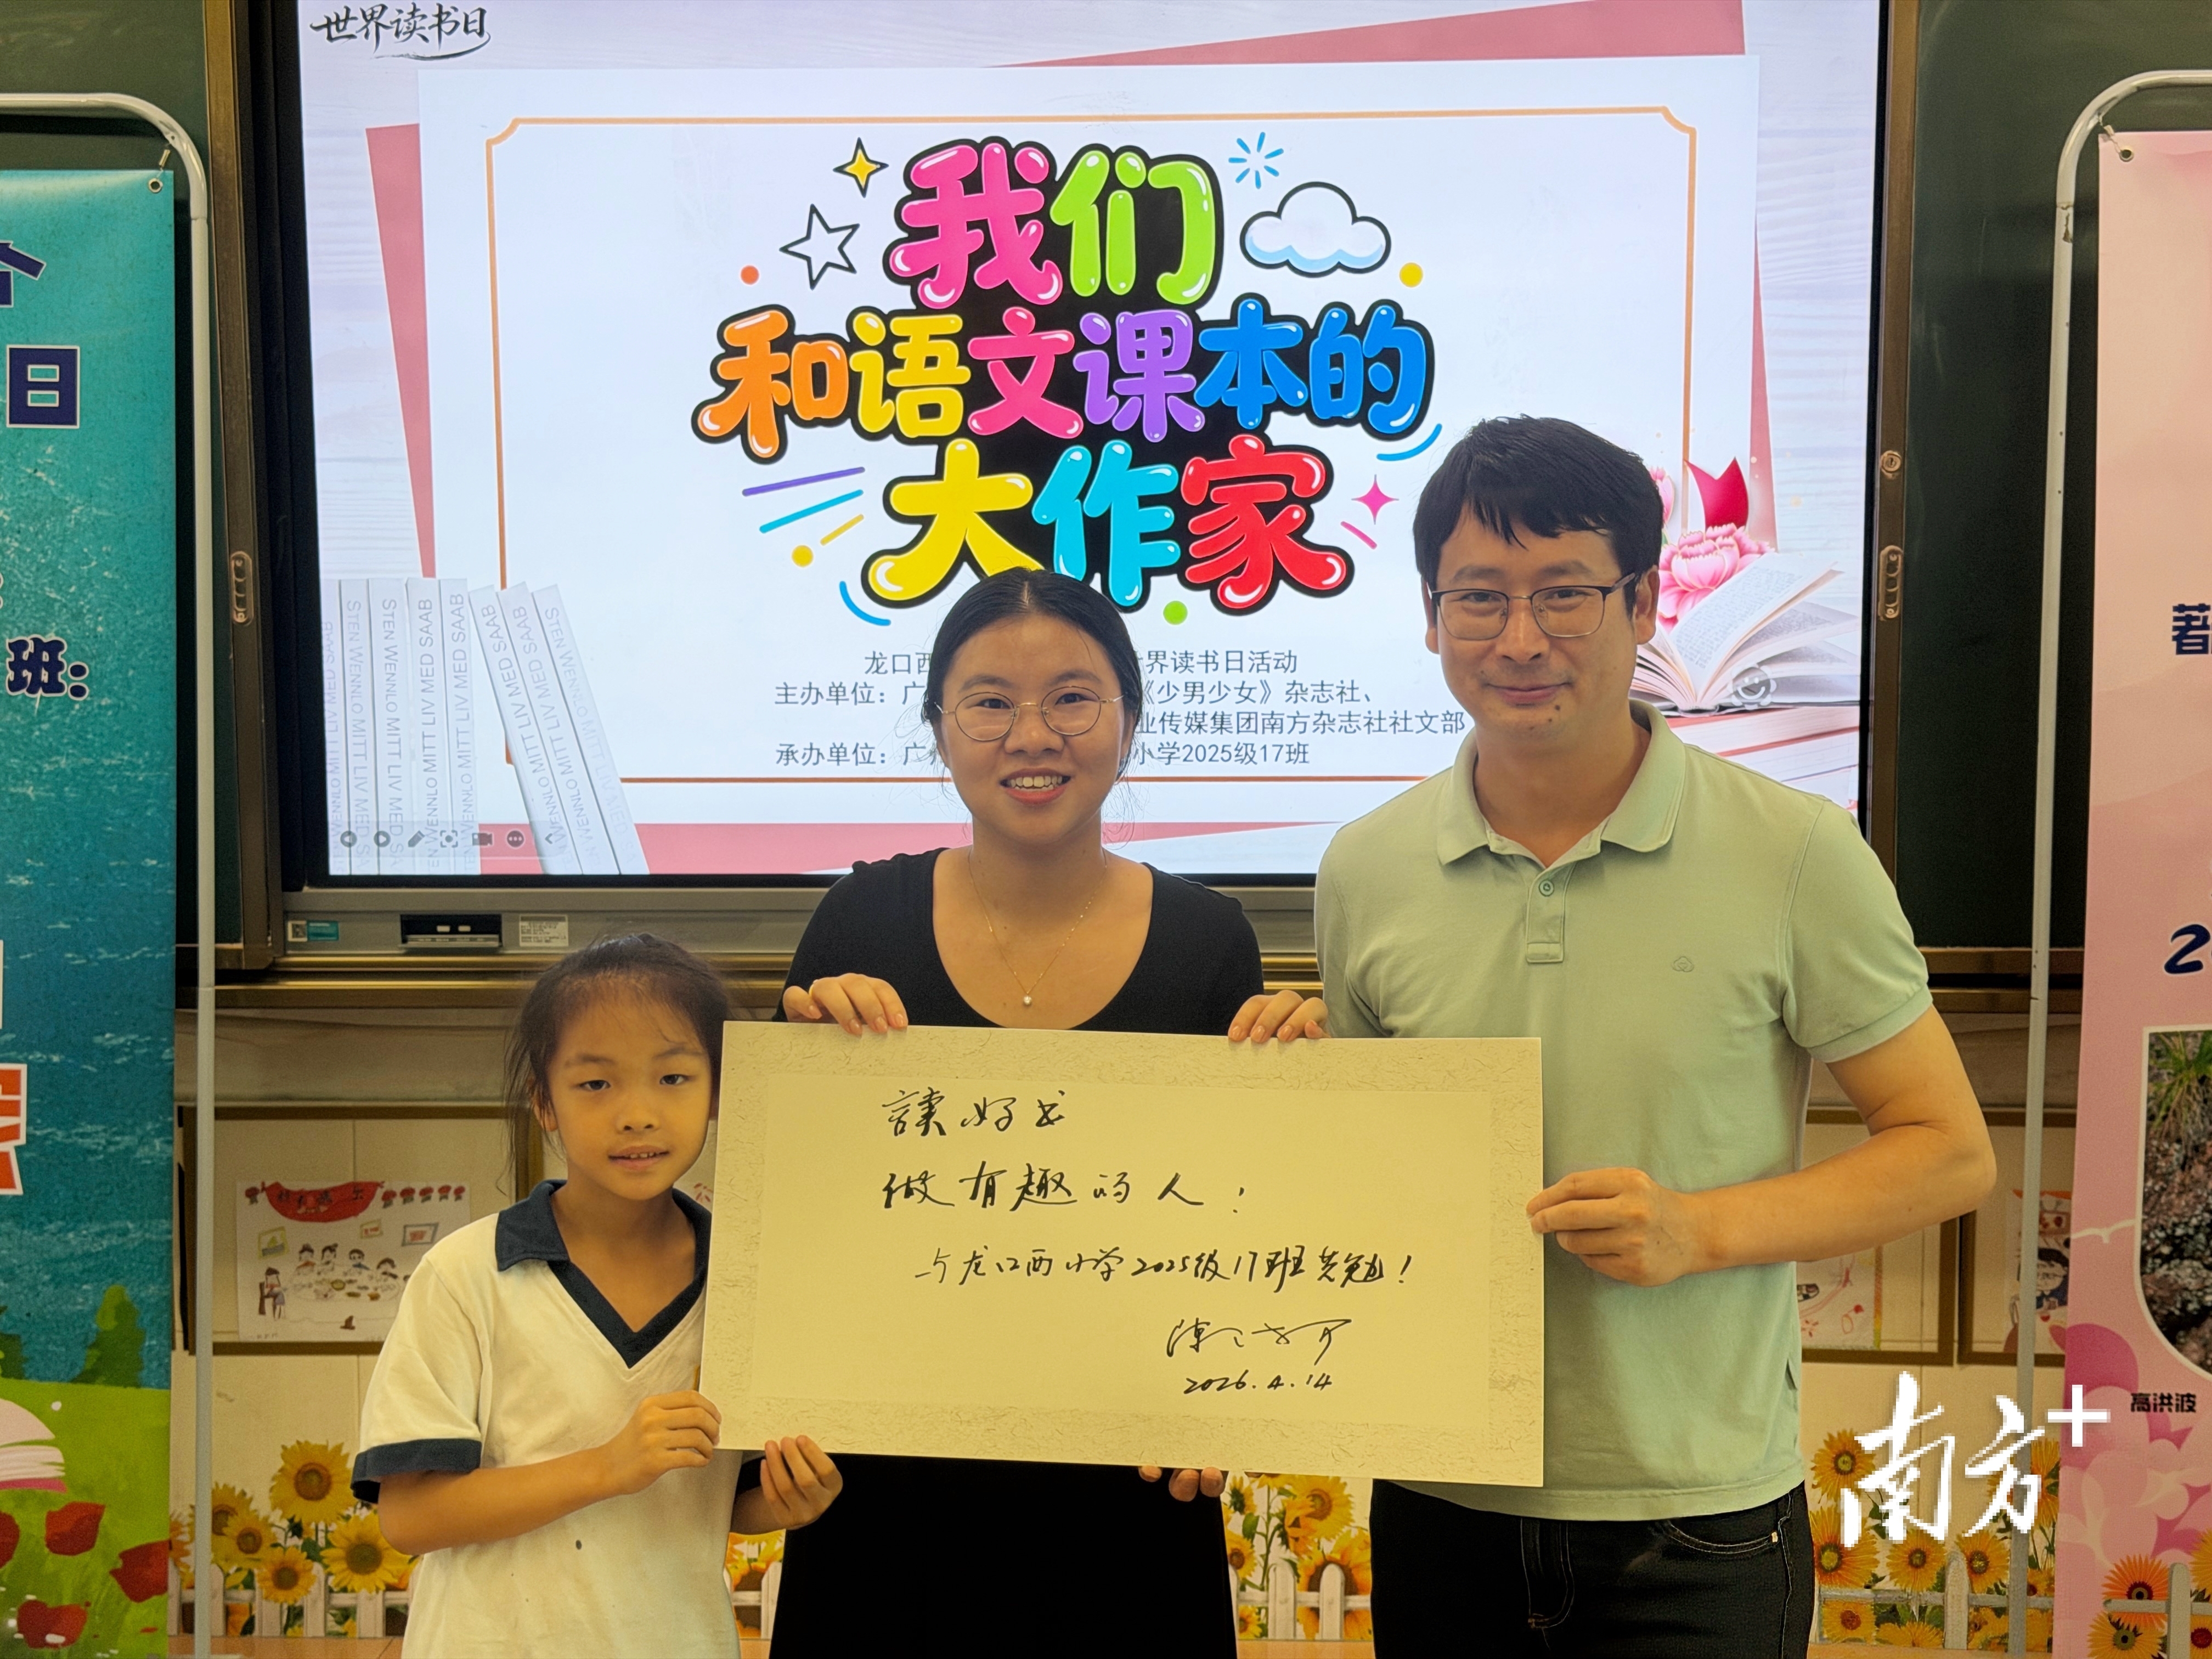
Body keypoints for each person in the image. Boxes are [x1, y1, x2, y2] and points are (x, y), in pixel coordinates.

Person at [1317, 416, 1996, 1657]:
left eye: (1565, 592)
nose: (1521, 638)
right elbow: (1377, 1176)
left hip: (1697, 1520)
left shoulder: (1795, 852)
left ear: (1642, 603)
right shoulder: (1366, 869)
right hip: (1442, 1501)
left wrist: (1698, 1230)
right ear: (1429, 616)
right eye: (1480, 597)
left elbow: (1948, 1150)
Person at [768, 567, 1327, 1657]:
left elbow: (1242, 1228)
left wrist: (1307, 1093)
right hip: (885, 1496)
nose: (1033, 735)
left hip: (1126, 1496)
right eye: (990, 702)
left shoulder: (1209, 940)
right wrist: (797, 1073)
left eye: (1073, 698)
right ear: (938, 726)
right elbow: (795, 1224)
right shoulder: (857, 922)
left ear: (1129, 719)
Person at [353, 934, 844, 1655]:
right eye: (595, 1084)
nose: (637, 1113)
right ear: (544, 1102)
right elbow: (410, 1516)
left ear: (718, 1092)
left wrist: (788, 1500)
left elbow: (723, 1500)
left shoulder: (751, 1280)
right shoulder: (466, 1274)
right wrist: (607, 1467)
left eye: (673, 1077)